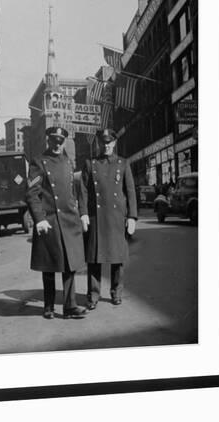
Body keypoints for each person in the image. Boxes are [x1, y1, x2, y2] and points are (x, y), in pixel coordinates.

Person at [26, 126, 87, 320]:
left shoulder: (68, 162)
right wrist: (40, 218)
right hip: (49, 220)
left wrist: (81, 213)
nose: (57, 144)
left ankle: (70, 307)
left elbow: (73, 191)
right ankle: (49, 306)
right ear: (48, 141)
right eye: (54, 141)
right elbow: (32, 193)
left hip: (69, 219)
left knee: (70, 265)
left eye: (61, 142)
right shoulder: (38, 162)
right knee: (50, 265)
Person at [79, 128, 137, 309]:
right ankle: (93, 295)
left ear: (114, 143)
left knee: (117, 258)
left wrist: (132, 216)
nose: (106, 145)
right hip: (96, 217)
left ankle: (116, 292)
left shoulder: (123, 163)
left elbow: (130, 191)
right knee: (94, 258)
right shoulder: (90, 164)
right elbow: (83, 191)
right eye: (103, 142)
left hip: (116, 217)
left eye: (109, 142)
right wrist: (83, 213)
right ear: (98, 143)